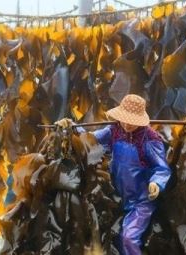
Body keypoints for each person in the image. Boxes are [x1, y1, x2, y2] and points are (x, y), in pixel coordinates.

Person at [55, 94, 171, 255]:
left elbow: (162, 168)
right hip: (115, 197)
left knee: (128, 239)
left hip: (140, 202)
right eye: (124, 119)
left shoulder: (151, 140)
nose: (127, 124)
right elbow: (89, 140)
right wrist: (72, 126)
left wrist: (156, 183)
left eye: (132, 121)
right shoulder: (113, 130)